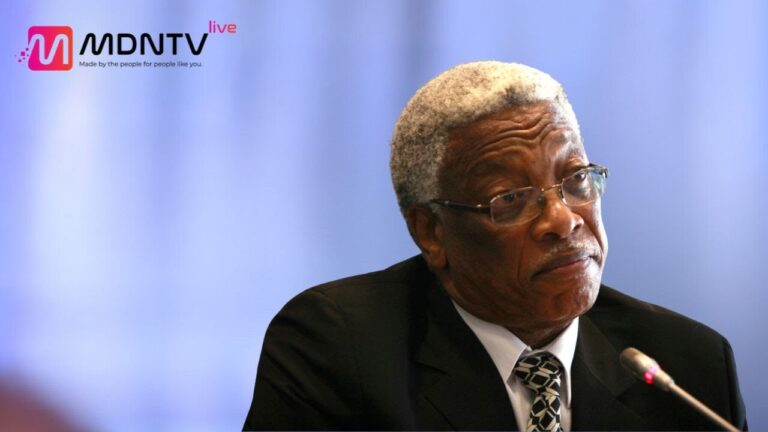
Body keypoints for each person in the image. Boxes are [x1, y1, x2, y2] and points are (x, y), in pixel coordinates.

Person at [243, 61, 747, 431]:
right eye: (511, 199)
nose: (564, 220)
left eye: (576, 179)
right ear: (431, 232)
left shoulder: (689, 367)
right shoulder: (337, 349)